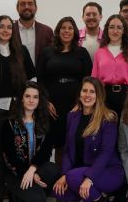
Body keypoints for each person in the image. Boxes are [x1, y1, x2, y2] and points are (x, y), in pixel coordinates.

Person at [53, 77, 124, 202]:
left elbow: (106, 153)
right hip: (83, 170)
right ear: (80, 94)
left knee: (72, 178)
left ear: (99, 96)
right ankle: (99, 196)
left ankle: (100, 201)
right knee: (60, 192)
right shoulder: (72, 116)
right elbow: (67, 149)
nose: (87, 95)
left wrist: (89, 178)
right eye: (84, 90)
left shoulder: (107, 118)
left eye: (92, 92)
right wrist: (64, 174)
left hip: (109, 171)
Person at [0, 15, 36, 202]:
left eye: (9, 27)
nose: (6, 30)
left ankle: (17, 195)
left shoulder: (21, 52)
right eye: (2, 27)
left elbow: (32, 80)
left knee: (19, 153)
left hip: (18, 110)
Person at [37, 16, 92, 167]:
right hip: (52, 103)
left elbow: (88, 80)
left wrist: (81, 103)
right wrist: (45, 102)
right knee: (55, 142)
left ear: (75, 32)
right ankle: (54, 178)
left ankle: (72, 176)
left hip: (75, 103)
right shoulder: (47, 52)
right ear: (58, 31)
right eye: (63, 28)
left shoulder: (82, 52)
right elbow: (40, 79)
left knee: (74, 141)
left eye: (70, 28)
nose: (66, 31)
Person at [1, 82, 60, 202]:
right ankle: (18, 195)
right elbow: (9, 157)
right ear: (21, 98)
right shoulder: (10, 123)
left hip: (35, 169)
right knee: (35, 199)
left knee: (52, 170)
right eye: (27, 96)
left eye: (35, 97)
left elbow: (45, 151)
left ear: (40, 100)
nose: (31, 100)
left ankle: (41, 201)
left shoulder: (45, 121)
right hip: (16, 173)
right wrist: (27, 173)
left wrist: (33, 170)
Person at [92, 14, 128, 118]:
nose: (115, 31)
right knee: (106, 127)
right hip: (104, 95)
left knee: (124, 128)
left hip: (126, 95)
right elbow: (94, 79)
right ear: (107, 29)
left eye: (119, 27)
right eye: (112, 27)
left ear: (124, 30)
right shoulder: (99, 52)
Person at [13, 0, 53, 65]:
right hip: (15, 75)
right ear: (17, 8)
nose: (26, 7)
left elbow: (51, 57)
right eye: (22, 4)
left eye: (30, 3)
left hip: (41, 76)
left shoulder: (47, 31)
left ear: (36, 8)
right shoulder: (10, 31)